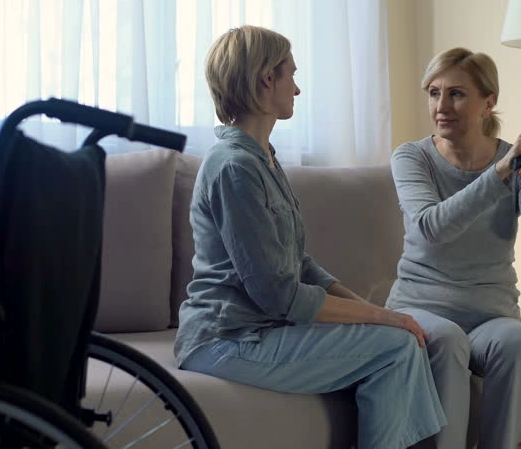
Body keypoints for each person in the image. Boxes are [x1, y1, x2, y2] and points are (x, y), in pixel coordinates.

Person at [173, 25, 446, 449]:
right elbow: (279, 295)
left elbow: (298, 263)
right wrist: (386, 319)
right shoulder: (234, 168)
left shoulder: (263, 158)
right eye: (292, 75)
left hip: (260, 331)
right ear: (268, 78)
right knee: (396, 346)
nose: (297, 89)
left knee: (403, 341)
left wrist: (371, 310)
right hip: (226, 340)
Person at [386, 47, 521, 449]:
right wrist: (501, 172)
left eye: (456, 94)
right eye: (434, 93)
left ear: (489, 102)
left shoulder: (513, 162)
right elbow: (432, 227)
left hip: (491, 314)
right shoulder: (412, 157)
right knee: (448, 338)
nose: (441, 106)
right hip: (421, 310)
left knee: (515, 341)